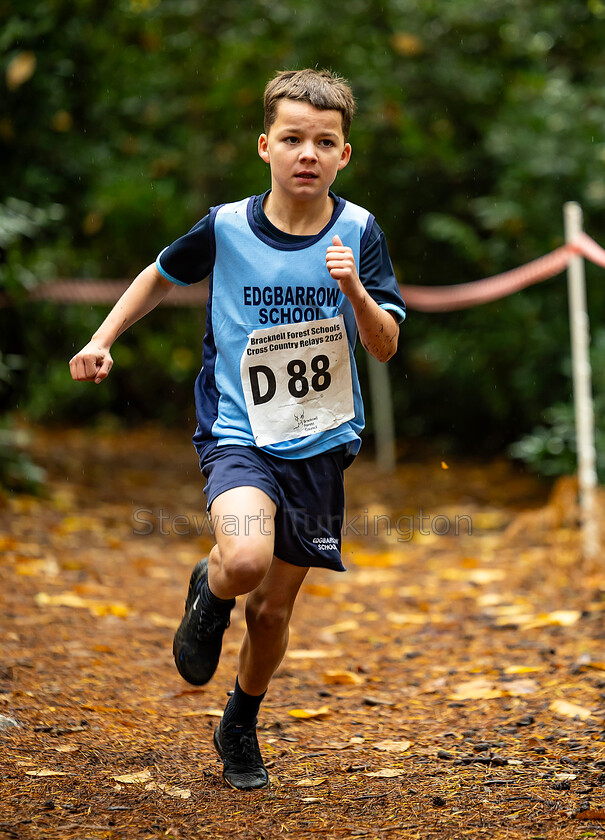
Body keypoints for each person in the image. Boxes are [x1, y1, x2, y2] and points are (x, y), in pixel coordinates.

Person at [69, 68, 406, 791]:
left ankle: (241, 721)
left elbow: (383, 346)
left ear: (344, 153)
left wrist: (351, 289)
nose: (306, 154)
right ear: (265, 146)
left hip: (319, 440)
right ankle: (211, 587)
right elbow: (159, 274)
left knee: (273, 610)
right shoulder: (224, 225)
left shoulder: (359, 232)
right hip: (238, 432)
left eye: (324, 141)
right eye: (292, 139)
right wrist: (103, 338)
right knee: (246, 562)